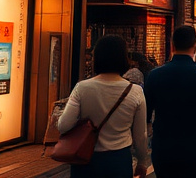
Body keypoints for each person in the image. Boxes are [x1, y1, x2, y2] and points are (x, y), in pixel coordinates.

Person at [58, 35, 149, 178]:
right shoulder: (135, 91)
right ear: (124, 59)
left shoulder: (82, 88)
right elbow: (140, 135)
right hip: (119, 160)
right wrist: (142, 162)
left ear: (97, 58)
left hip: (85, 159)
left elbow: (63, 125)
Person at [144, 26, 196, 178]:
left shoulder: (155, 76)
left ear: (172, 46)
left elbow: (146, 113)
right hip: (194, 147)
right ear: (195, 46)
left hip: (163, 147)